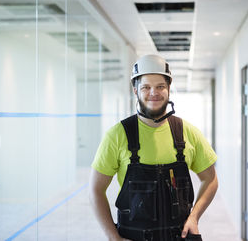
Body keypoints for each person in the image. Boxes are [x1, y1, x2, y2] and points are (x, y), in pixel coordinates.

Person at [90, 54, 218, 241]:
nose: (153, 93)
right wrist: (113, 237)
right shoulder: (117, 135)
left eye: (160, 86)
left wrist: (194, 217)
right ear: (135, 91)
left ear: (168, 88)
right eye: (146, 87)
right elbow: (95, 189)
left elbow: (211, 180)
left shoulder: (188, 133)